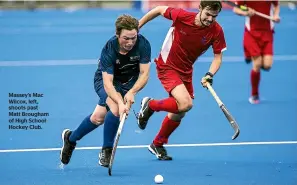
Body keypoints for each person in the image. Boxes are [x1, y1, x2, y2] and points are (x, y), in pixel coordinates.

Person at [136, 1, 227, 160]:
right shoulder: (182, 16)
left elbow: (218, 57)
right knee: (186, 104)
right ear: (200, 8)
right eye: (207, 14)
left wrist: (209, 74)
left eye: (214, 16)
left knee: (180, 111)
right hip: (167, 65)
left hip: (186, 71)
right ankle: (150, 105)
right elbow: (157, 9)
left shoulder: (217, 30)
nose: (210, 19)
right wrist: (139, 25)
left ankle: (157, 144)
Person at [60, 14, 151, 167]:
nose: (130, 43)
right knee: (115, 109)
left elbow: (144, 74)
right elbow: (108, 84)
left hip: (127, 83)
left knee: (97, 118)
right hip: (104, 82)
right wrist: (121, 102)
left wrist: (132, 92)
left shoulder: (143, 44)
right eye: (125, 38)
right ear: (117, 34)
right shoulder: (109, 49)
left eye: (133, 38)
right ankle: (106, 150)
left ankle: (70, 139)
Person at [233, 1, 280, 104]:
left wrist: (276, 15)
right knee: (257, 64)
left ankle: (248, 52)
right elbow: (236, 9)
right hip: (251, 33)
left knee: (267, 66)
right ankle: (254, 94)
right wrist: (246, 13)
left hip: (267, 33)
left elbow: (276, 5)